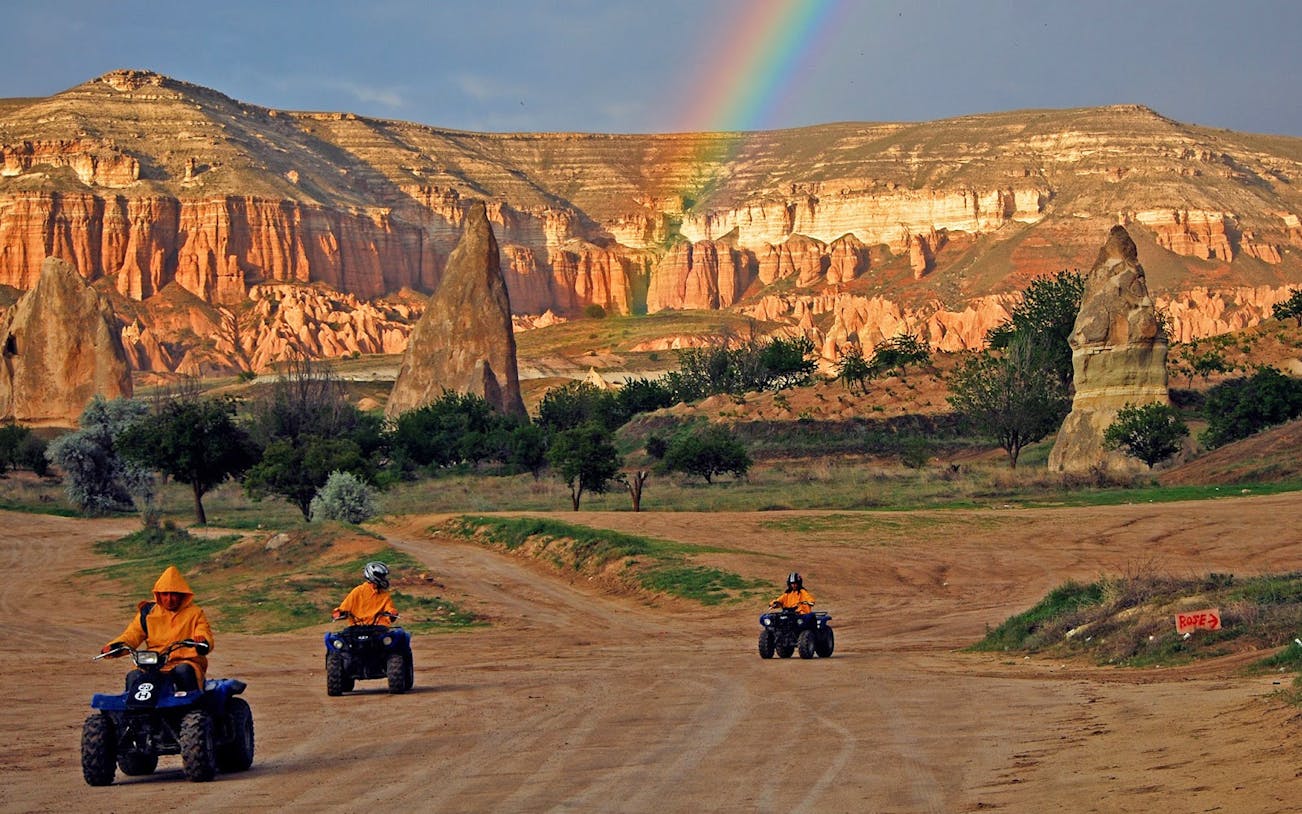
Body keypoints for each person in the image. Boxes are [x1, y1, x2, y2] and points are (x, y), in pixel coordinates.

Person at [101, 565, 213, 691]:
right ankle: (131, 708)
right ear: (158, 595)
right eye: (165, 594)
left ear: (182, 595)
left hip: (185, 660)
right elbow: (132, 635)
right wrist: (113, 646)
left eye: (174, 594)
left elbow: (203, 631)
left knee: (183, 671)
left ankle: (194, 707)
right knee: (134, 676)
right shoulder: (149, 612)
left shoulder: (195, 613)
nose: (169, 599)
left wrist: (202, 641)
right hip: (154, 662)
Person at [333, 561, 399, 627]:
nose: (384, 579)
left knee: (400, 634)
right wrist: (338, 613)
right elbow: (344, 608)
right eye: (381, 576)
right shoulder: (358, 591)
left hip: (378, 629)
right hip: (357, 628)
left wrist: (392, 613)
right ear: (372, 576)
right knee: (330, 637)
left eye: (384, 577)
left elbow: (389, 609)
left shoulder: (384, 595)